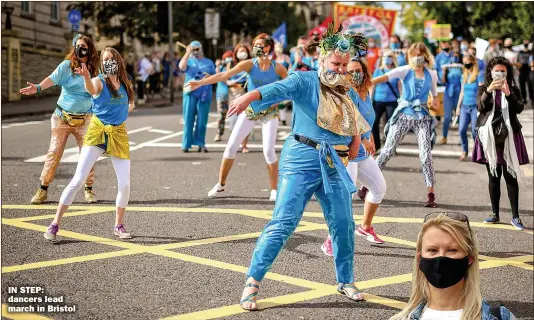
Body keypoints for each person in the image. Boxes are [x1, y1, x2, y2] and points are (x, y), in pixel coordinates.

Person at [226, 24, 370, 311]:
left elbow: (354, 118)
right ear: (323, 60)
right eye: (335, 63)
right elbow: (276, 89)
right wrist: (247, 97)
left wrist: (356, 141)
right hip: (300, 159)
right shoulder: (304, 81)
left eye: (344, 65)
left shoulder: (347, 88)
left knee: (343, 224)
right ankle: (253, 281)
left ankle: (346, 280)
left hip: (333, 163)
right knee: (284, 221)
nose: (341, 69)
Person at [44, 47, 136, 242]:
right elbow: (91, 89)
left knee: (125, 184)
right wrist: (86, 77)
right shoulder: (98, 81)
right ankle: (55, 223)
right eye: (105, 59)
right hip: (97, 131)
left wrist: (126, 108)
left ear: (118, 60)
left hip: (118, 133)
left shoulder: (126, 82)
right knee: (78, 179)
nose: (108, 62)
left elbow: (131, 103)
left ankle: (118, 225)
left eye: (112, 58)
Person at [186, 34, 287, 201]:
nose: (256, 47)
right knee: (231, 147)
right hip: (250, 111)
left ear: (268, 48)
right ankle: (220, 185)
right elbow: (225, 75)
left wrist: (279, 102)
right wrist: (200, 83)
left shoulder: (278, 68)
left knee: (269, 151)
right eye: (255, 44)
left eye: (260, 45)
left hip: (269, 113)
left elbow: (292, 86)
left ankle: (274, 190)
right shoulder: (249, 64)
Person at [389, 212, 516, 320]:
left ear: (469, 259)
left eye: (452, 250)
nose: (441, 258)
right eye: (433, 250)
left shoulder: (501, 317)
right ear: (419, 259)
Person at [20, 34, 100, 205]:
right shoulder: (66, 66)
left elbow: (96, 92)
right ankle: (42, 189)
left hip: (85, 118)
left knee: (88, 154)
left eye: (84, 47)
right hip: (62, 117)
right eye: (77, 46)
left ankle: (88, 189)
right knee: (54, 152)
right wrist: (39, 88)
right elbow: (53, 78)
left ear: (90, 50)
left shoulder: (95, 70)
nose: (80, 50)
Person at [322, 58, 387, 257]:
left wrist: (371, 138)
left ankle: (365, 227)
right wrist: (364, 137)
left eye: (358, 70)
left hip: (361, 152)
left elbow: (368, 118)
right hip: (346, 150)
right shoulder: (345, 91)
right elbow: (348, 118)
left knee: (379, 188)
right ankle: (330, 239)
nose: (355, 74)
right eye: (350, 71)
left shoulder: (367, 90)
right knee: (344, 198)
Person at [371, 42, 439, 208]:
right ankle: (366, 186)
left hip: (422, 117)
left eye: (420, 54)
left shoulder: (432, 74)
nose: (417, 57)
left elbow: (435, 98)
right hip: (403, 115)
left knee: (425, 154)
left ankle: (431, 193)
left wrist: (433, 104)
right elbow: (379, 79)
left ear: (425, 56)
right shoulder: (404, 70)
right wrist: (361, 85)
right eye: (414, 54)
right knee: (387, 151)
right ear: (409, 56)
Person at [472, 57, 529, 230]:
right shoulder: (483, 87)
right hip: (489, 136)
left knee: (510, 175)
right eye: (497, 71)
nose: (500, 74)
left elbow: (519, 108)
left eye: (503, 71)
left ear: (507, 72)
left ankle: (515, 217)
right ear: (490, 72)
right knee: (493, 175)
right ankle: (495, 214)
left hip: (509, 135)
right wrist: (488, 91)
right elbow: (480, 107)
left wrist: (508, 94)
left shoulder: (512, 88)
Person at [179, 40, 216, 153]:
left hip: (204, 94)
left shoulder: (209, 62)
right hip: (190, 93)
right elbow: (181, 67)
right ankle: (186, 144)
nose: (195, 51)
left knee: (202, 121)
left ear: (201, 49)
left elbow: (215, 76)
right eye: (193, 49)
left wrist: (209, 76)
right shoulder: (189, 61)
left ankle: (201, 143)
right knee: (188, 119)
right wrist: (187, 53)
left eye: (197, 49)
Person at [370, 49, 402, 151]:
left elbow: (400, 87)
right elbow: (372, 86)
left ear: (393, 59)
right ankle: (377, 145)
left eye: (389, 57)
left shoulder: (396, 72)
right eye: (385, 57)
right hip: (378, 100)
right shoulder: (378, 71)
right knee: (374, 122)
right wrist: (370, 100)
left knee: (391, 124)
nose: (386, 59)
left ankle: (390, 146)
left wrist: (401, 101)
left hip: (391, 101)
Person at [456, 53, 485, 161]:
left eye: (468, 62)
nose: (466, 65)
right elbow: (462, 92)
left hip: (475, 107)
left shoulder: (479, 75)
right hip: (464, 106)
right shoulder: (463, 75)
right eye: (464, 63)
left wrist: (482, 105)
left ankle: (478, 151)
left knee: (474, 131)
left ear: (473, 62)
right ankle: (464, 150)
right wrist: (458, 107)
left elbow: (482, 91)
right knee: (462, 130)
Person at [435, 41, 462, 145]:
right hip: (448, 91)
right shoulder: (441, 60)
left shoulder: (460, 63)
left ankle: (461, 137)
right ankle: (444, 136)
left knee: (460, 117)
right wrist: (444, 72)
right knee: (447, 117)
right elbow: (441, 80)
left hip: (459, 92)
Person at [213, 51, 234, 142]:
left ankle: (234, 136)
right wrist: (217, 65)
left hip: (233, 95)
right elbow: (218, 76)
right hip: (222, 95)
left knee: (234, 116)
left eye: (230, 57)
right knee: (221, 115)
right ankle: (219, 134)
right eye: (226, 57)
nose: (228, 59)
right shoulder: (221, 67)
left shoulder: (235, 67)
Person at [517, 39, 533, 104]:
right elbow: (518, 61)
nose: (526, 43)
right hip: (522, 70)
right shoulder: (520, 52)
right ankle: (524, 99)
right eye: (524, 42)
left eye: (527, 42)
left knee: (530, 85)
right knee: (522, 85)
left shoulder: (531, 52)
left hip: (529, 70)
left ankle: (532, 99)